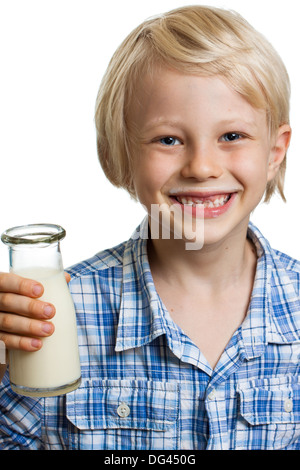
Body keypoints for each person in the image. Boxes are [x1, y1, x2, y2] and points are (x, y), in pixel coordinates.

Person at [0, 5, 299, 450]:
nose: (202, 166)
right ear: (120, 153)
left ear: (275, 151)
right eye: (169, 140)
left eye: (232, 136)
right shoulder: (54, 317)